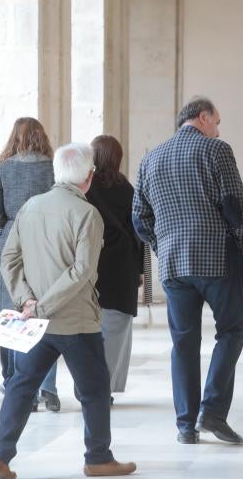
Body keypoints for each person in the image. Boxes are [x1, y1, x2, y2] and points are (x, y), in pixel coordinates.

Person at [0, 143, 136, 479]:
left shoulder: (30, 208)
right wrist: (43, 306)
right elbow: (82, 272)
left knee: (21, 386)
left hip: (36, 322)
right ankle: (98, 458)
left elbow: (8, 259)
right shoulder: (86, 214)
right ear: (88, 177)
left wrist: (27, 301)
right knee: (96, 389)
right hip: (75, 322)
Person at [132, 96, 243, 445]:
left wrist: (162, 244)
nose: (218, 129)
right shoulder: (216, 151)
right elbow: (233, 203)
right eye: (217, 121)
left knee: (183, 343)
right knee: (231, 329)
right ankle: (212, 411)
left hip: (173, 263)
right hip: (216, 258)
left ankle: (186, 425)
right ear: (202, 118)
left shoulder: (151, 158)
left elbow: (139, 217)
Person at [0, 117, 60, 412]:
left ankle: (17, 384)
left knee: (11, 312)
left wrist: (2, 237)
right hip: (46, 241)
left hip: (10, 240)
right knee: (43, 312)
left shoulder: (3, 168)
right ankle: (45, 386)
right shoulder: (53, 168)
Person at [86, 135, 143, 400]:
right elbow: (140, 230)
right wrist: (141, 270)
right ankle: (105, 387)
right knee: (117, 330)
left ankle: (90, 385)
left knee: (88, 329)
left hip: (93, 265)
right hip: (123, 268)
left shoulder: (87, 188)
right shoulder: (128, 188)